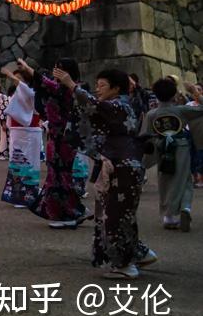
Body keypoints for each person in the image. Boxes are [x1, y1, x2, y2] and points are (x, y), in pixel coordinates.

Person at [53, 67, 157, 279]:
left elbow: (94, 106)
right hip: (122, 164)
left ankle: (125, 265)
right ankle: (139, 253)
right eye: (97, 85)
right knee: (121, 215)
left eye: (102, 86)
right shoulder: (123, 105)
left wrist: (71, 85)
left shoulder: (118, 105)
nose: (98, 90)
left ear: (116, 88)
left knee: (115, 216)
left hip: (122, 166)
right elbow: (95, 108)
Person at [29, 58, 88, 229]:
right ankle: (71, 210)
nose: (56, 72)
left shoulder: (68, 89)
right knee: (57, 175)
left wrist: (28, 69)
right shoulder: (60, 88)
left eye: (60, 69)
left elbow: (45, 83)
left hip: (64, 139)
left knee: (60, 177)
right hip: (56, 137)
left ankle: (66, 213)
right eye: (55, 68)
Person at [141, 78, 203, 232]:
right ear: (174, 94)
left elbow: (145, 136)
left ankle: (168, 216)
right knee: (185, 179)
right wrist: (194, 92)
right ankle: (186, 208)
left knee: (165, 180)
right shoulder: (181, 110)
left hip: (162, 148)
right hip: (181, 146)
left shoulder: (152, 114)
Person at [0, 60, 43, 209]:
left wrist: (10, 75)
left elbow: (25, 89)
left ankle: (27, 194)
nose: (17, 82)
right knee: (17, 162)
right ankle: (18, 194)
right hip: (19, 132)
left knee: (28, 163)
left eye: (20, 79)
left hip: (29, 131)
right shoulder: (20, 92)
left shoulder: (33, 91)